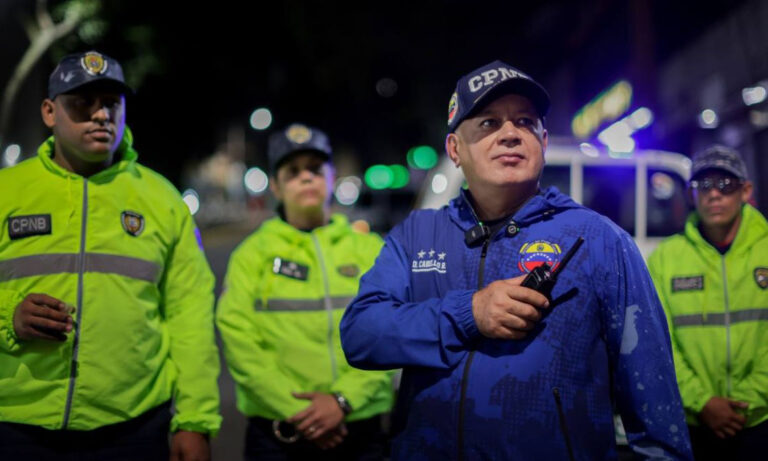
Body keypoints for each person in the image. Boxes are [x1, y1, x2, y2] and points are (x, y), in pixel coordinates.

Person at [340, 60, 693, 460]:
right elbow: (360, 335)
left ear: (542, 142)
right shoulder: (416, 235)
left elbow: (655, 403)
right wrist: (470, 313)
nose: (510, 133)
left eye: (524, 121)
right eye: (489, 123)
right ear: (455, 150)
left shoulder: (599, 240)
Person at [0, 51, 221, 461]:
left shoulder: (162, 200)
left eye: (111, 104)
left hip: (133, 427)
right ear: (50, 112)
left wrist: (195, 420)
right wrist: (9, 318)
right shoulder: (7, 192)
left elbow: (190, 316)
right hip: (15, 425)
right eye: (83, 104)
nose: (101, 115)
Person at [216, 123, 394, 461]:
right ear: (277, 187)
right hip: (279, 434)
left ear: (331, 176)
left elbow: (390, 332)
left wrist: (343, 400)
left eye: (315, 168)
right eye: (294, 171)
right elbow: (239, 341)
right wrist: (302, 412)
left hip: (359, 428)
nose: (307, 177)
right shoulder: (252, 255)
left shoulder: (370, 249)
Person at [647, 145, 768, 461]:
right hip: (693, 423)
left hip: (761, 420)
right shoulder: (665, 259)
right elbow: (659, 341)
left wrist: (750, 401)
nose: (714, 194)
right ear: (690, 194)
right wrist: (702, 402)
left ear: (746, 191)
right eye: (704, 185)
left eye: (725, 185)